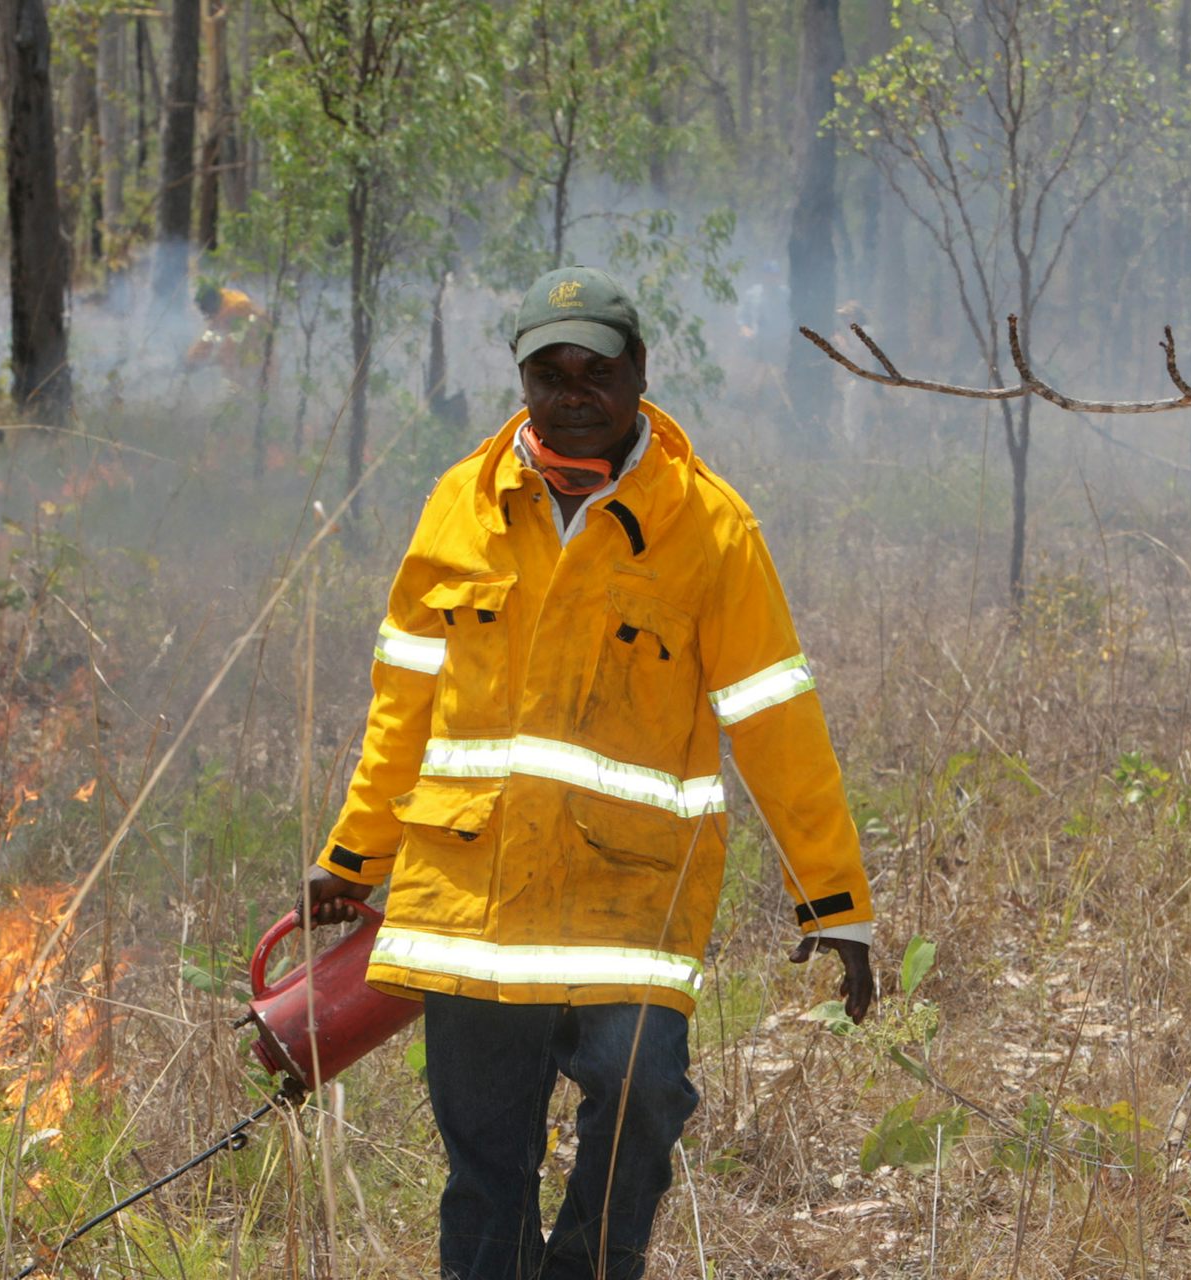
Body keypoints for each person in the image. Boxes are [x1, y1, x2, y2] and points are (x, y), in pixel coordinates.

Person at [302, 265, 877, 1280]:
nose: (573, 391)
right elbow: (404, 702)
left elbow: (776, 721)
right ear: (521, 376)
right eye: (548, 370)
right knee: (485, 1171)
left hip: (630, 905)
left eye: (595, 368)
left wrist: (832, 902)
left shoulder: (710, 528)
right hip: (471, 904)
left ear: (639, 372)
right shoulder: (458, 508)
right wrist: (355, 853)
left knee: (644, 1093)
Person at [185, 282, 269, 385]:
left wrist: (222, 355)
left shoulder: (239, 306)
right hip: (243, 338)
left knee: (258, 373)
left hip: (259, 341)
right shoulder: (219, 304)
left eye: (208, 312)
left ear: (213, 305)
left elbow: (237, 336)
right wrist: (193, 358)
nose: (207, 316)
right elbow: (210, 335)